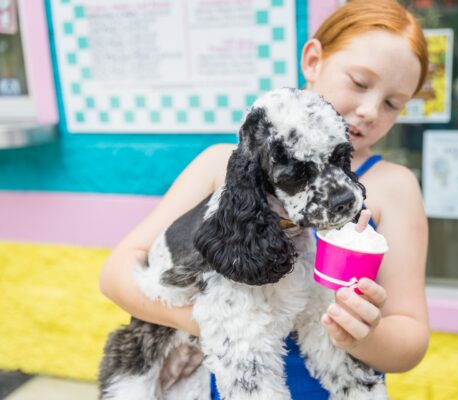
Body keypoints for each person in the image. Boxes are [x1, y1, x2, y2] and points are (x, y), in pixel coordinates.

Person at [99, 0, 430, 397]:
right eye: (359, 82)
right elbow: (116, 274)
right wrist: (214, 324)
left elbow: (410, 336)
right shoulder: (219, 164)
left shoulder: (395, 186)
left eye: (393, 103)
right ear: (312, 60)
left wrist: (362, 336)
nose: (369, 110)